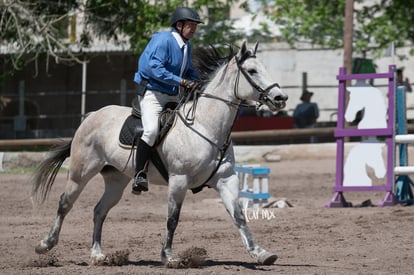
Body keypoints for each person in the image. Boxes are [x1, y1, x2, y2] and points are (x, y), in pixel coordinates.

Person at [131, 7, 203, 194]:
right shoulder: (163, 40)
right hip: (153, 94)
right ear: (179, 25)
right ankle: (140, 174)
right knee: (151, 131)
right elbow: (155, 68)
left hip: (172, 95)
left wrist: (200, 80)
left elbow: (188, 71)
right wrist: (183, 81)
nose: (194, 29)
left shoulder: (186, 46)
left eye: (195, 26)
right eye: (191, 25)